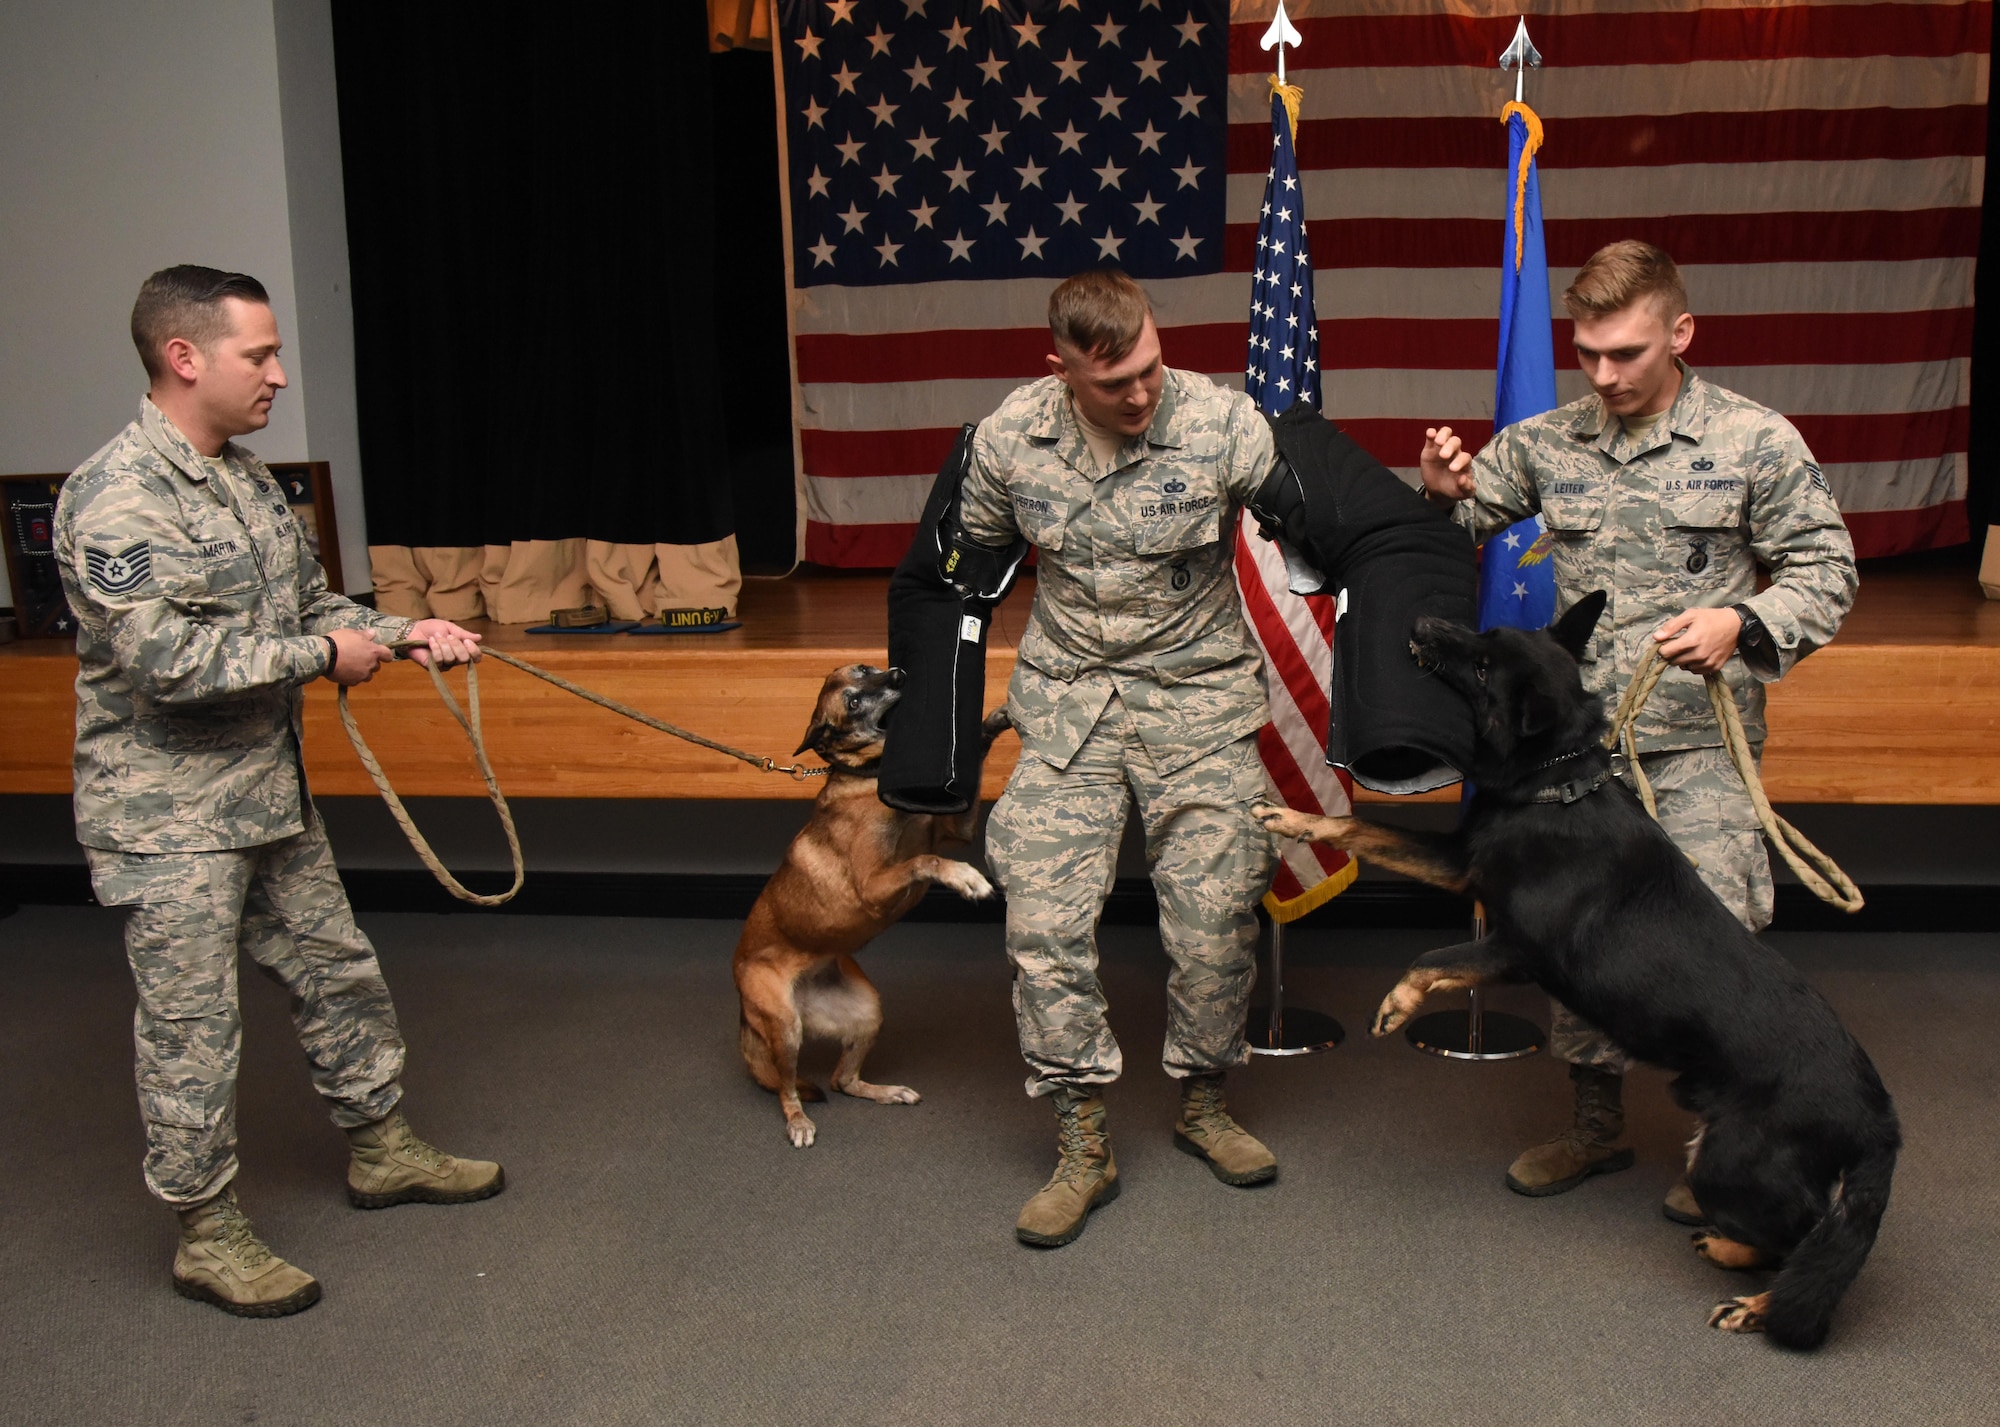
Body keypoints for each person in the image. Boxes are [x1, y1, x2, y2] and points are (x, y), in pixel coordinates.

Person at [52, 265, 505, 1318]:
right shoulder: (117, 493)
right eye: (257, 353)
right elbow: (164, 656)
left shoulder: (250, 482)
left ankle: (381, 1147)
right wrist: (322, 653)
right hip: (166, 822)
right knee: (192, 1029)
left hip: (265, 797)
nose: (278, 372)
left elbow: (309, 601)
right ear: (183, 356)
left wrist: (400, 631)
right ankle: (206, 1230)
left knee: (338, 971)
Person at [1419, 241, 1857, 1219]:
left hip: (1696, 743)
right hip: (1577, 762)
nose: (1605, 375)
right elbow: (1456, 522)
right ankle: (1592, 1121)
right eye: (1588, 354)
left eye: (1625, 352)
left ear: (1678, 333)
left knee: (1713, 945)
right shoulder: (1549, 441)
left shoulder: (1752, 441)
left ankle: (1721, 1143)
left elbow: (1826, 573)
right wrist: (1443, 491)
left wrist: (1738, 623)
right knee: (1579, 943)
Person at [955, 269, 1283, 1247]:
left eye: (1146, 367)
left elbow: (1330, 526)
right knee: (1042, 918)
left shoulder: (1224, 424)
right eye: (1112, 384)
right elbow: (961, 566)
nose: (1139, 394)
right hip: (1069, 706)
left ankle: (1204, 1100)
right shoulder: (1008, 437)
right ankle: (1080, 1136)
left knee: (1218, 911)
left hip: (1198, 697)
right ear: (1057, 368)